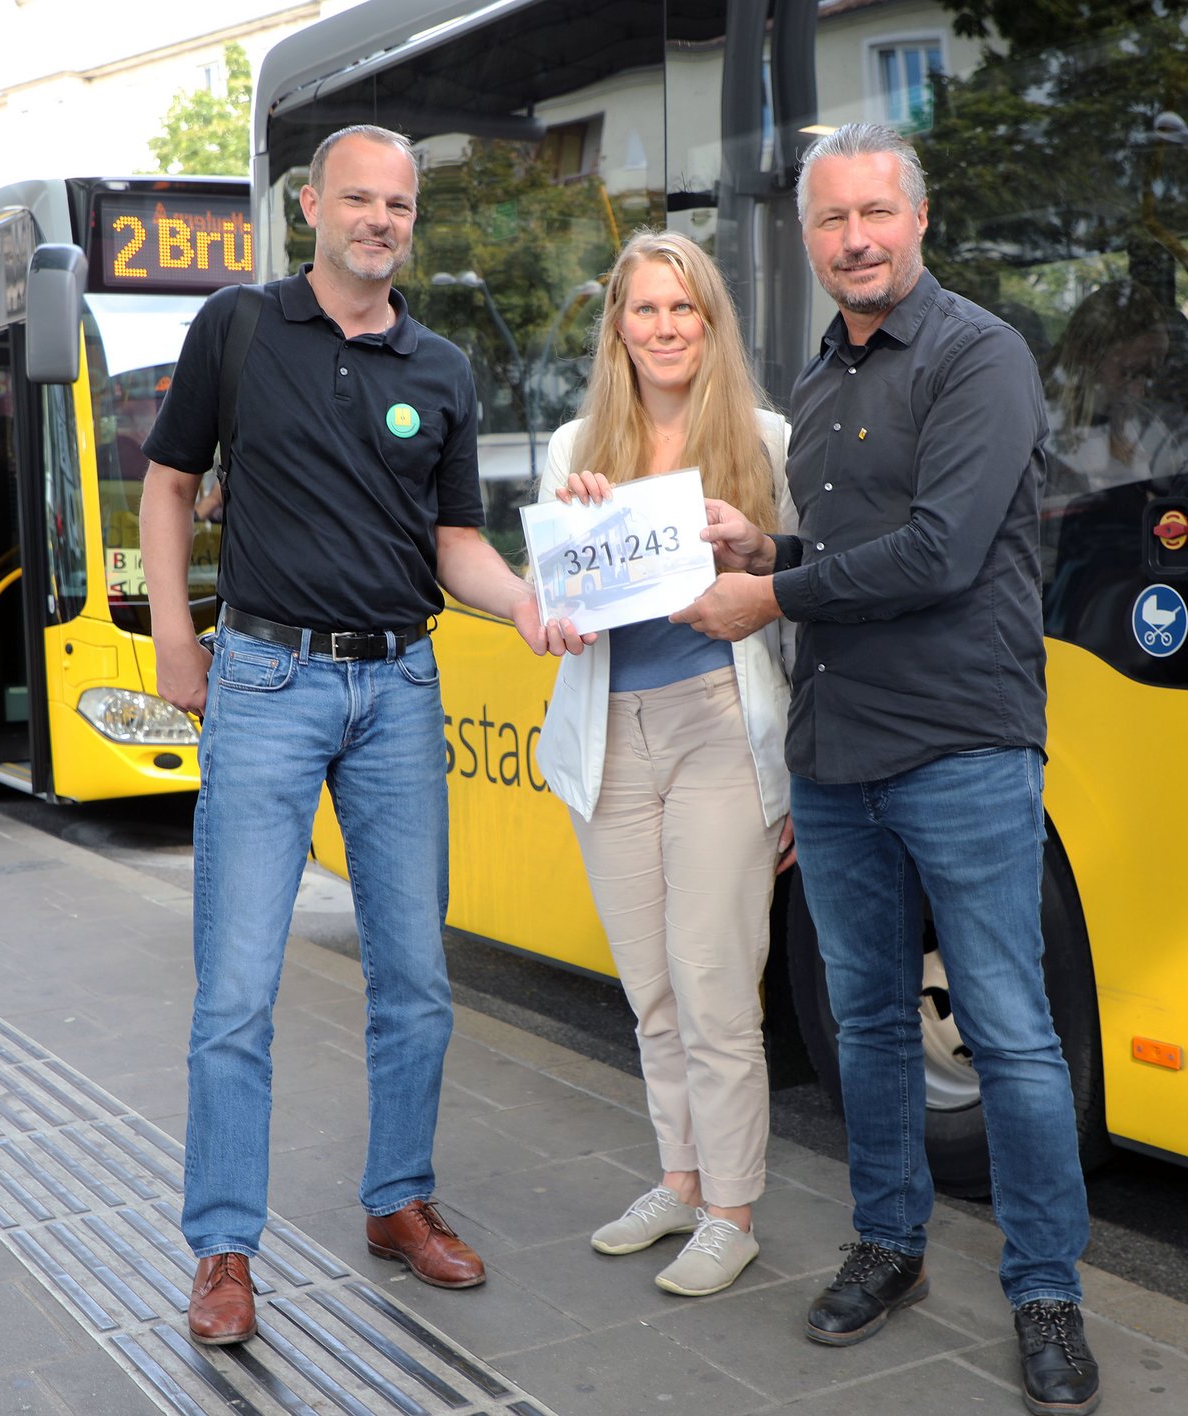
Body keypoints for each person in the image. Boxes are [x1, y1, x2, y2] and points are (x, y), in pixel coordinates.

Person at [670, 123, 1101, 1415]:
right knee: (865, 1023)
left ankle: (1046, 1294)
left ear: (919, 220)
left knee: (1013, 1037)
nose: (854, 239)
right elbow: (850, 540)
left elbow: (938, 555)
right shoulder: (823, 374)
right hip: (838, 752)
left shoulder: (981, 356)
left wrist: (773, 594)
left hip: (960, 749)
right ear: (808, 242)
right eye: (830, 222)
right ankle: (891, 1246)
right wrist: (768, 542)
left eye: (875, 214)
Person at [138, 123, 588, 1348]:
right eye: (358, 199)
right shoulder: (236, 329)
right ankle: (224, 1247)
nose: (379, 219)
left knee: (418, 980)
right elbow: (170, 483)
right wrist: (179, 638)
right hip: (267, 680)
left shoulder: (438, 366)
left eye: (397, 204)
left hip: (396, 689)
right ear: (310, 208)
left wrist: (529, 604)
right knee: (235, 990)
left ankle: (398, 1201)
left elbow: (451, 547)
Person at [535, 231, 794, 1297]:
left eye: (682, 309)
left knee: (713, 981)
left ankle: (733, 1210)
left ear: (710, 322)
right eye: (644, 310)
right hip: (610, 735)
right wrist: (556, 601)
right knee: (648, 987)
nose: (663, 328)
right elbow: (549, 598)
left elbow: (809, 583)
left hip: (717, 726)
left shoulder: (766, 439)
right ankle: (680, 1182)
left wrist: (753, 547)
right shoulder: (570, 448)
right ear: (618, 328)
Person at [1041, 279, 1175, 495]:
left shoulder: (1146, 426)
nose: (1139, 392)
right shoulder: (1041, 430)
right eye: (1129, 373)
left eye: (1149, 375)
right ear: (1087, 357)